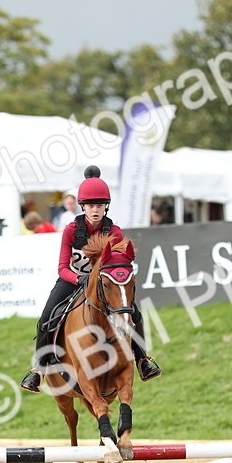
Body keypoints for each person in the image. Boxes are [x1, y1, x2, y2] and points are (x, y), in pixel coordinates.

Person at [20, 166, 161, 392]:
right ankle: (38, 369)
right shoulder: (70, 231)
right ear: (82, 206)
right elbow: (62, 268)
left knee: (134, 313)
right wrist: (80, 280)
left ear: (106, 206)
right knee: (47, 316)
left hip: (104, 285)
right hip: (72, 280)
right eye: (90, 206)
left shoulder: (113, 231)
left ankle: (143, 360)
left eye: (99, 205)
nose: (95, 210)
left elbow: (117, 266)